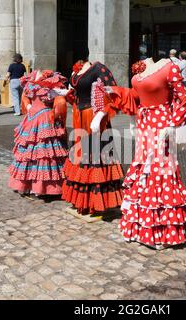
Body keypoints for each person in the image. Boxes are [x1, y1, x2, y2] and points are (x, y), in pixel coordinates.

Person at [90, 57, 186, 249]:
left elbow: (184, 99)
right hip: (144, 124)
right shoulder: (142, 68)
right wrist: (114, 94)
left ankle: (163, 231)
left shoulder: (169, 67)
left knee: (161, 172)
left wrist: (173, 124)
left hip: (163, 125)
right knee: (143, 171)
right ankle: (142, 227)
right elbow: (135, 96)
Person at [56, 48, 124, 216]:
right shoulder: (78, 70)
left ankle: (96, 202)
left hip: (92, 119)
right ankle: (82, 201)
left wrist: (100, 115)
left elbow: (114, 93)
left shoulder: (99, 68)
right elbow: (78, 92)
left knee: (95, 156)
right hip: (79, 117)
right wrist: (65, 94)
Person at [9, 70, 69, 197]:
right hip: (40, 117)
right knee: (37, 151)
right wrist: (29, 106)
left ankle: (37, 186)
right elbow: (26, 98)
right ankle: (31, 185)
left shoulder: (51, 81)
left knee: (41, 152)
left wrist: (31, 107)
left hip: (41, 117)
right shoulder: (31, 81)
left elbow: (59, 99)